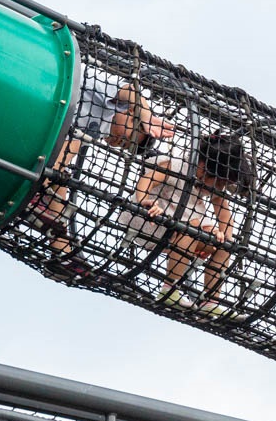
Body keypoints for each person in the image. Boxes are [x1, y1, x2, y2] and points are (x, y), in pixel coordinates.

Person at [30, 72, 175, 274]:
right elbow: (130, 90)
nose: (120, 144)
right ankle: (37, 190)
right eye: (127, 138)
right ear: (131, 113)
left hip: (38, 137)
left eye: (125, 147)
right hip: (45, 89)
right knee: (76, 143)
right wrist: (147, 115)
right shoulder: (111, 101)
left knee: (62, 181)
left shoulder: (99, 131)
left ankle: (61, 252)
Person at [118, 133, 252, 318]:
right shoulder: (177, 166)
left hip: (179, 227)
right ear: (203, 166)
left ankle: (210, 302)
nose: (219, 187)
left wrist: (224, 235)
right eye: (219, 180)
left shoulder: (212, 183)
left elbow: (223, 211)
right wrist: (143, 201)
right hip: (148, 219)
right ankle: (169, 291)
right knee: (194, 228)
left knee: (223, 246)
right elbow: (148, 179)